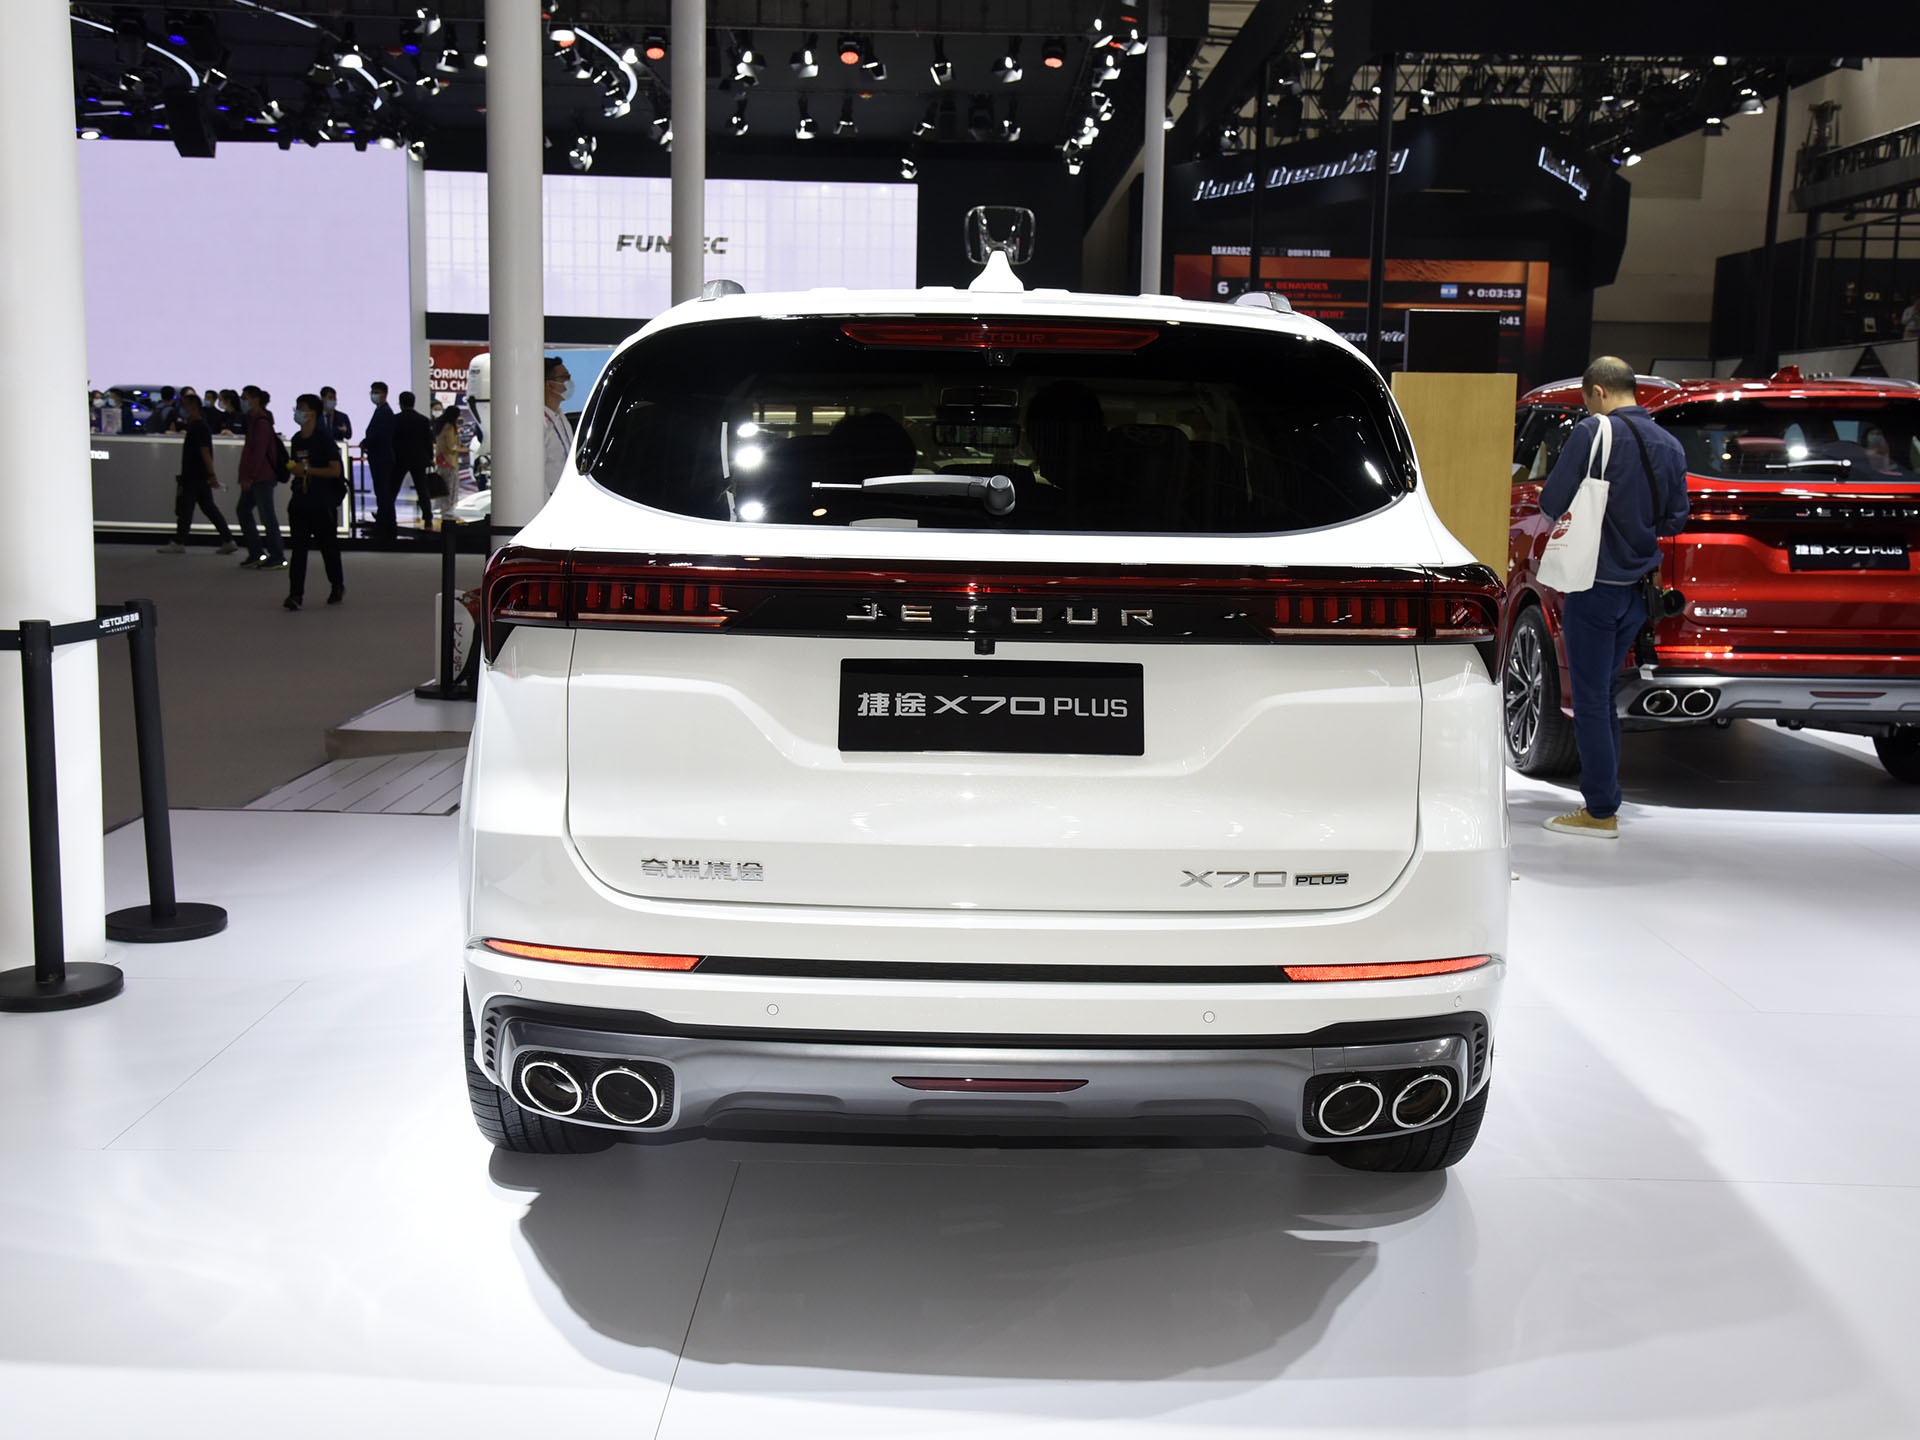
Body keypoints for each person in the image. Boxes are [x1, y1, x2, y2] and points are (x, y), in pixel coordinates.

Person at [1537, 356, 1691, 839]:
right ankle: (1605, 799)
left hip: (1594, 586)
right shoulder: (1669, 444)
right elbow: (1676, 519)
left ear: (1599, 392)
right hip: (1640, 593)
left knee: (1589, 699)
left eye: (1587, 400)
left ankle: (1601, 810)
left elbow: (1550, 501)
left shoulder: (1593, 432)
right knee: (1603, 696)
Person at [156, 393, 240, 555]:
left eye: (185, 405)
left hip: (194, 475)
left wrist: (212, 474)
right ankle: (228, 540)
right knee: (208, 508)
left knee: (186, 509)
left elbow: (204, 451)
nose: (182, 409)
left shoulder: (198, 427)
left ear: (192, 407)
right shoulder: (197, 426)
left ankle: (179, 541)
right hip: (199, 475)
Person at [284, 393, 346, 610]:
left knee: (328, 548)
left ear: (313, 413)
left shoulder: (324, 439)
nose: (298, 412)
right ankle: (295, 594)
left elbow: (335, 470)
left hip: (322, 502)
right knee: (298, 550)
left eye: (302, 408)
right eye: (297, 407)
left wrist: (307, 470)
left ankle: (337, 585)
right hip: (300, 501)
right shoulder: (296, 439)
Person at [235, 387, 287, 570]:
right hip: (257, 477)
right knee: (246, 511)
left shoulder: (261, 422)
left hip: (261, 477)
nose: (243, 401)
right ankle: (258, 552)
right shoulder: (255, 420)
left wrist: (248, 476)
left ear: (255, 399)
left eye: (245, 398)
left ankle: (276, 555)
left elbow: (258, 453)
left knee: (266, 516)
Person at [390, 390, 438, 532]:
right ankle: (427, 519)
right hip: (418, 459)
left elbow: (391, 440)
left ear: (400, 403)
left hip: (400, 458)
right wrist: (430, 458)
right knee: (422, 490)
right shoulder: (423, 420)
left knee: (393, 489)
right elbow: (428, 442)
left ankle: (387, 515)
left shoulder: (395, 420)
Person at [363, 380, 398, 540]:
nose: (374, 395)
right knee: (382, 493)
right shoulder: (380, 411)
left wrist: (366, 442)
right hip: (378, 456)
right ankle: (385, 525)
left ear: (385, 394)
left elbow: (379, 435)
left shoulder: (385, 412)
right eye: (372, 392)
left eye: (377, 392)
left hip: (381, 457)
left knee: (384, 493)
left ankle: (384, 527)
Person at [542, 355, 574, 495]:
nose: (569, 382)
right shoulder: (538, 424)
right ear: (549, 384)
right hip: (547, 499)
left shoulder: (561, 417)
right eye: (564, 377)